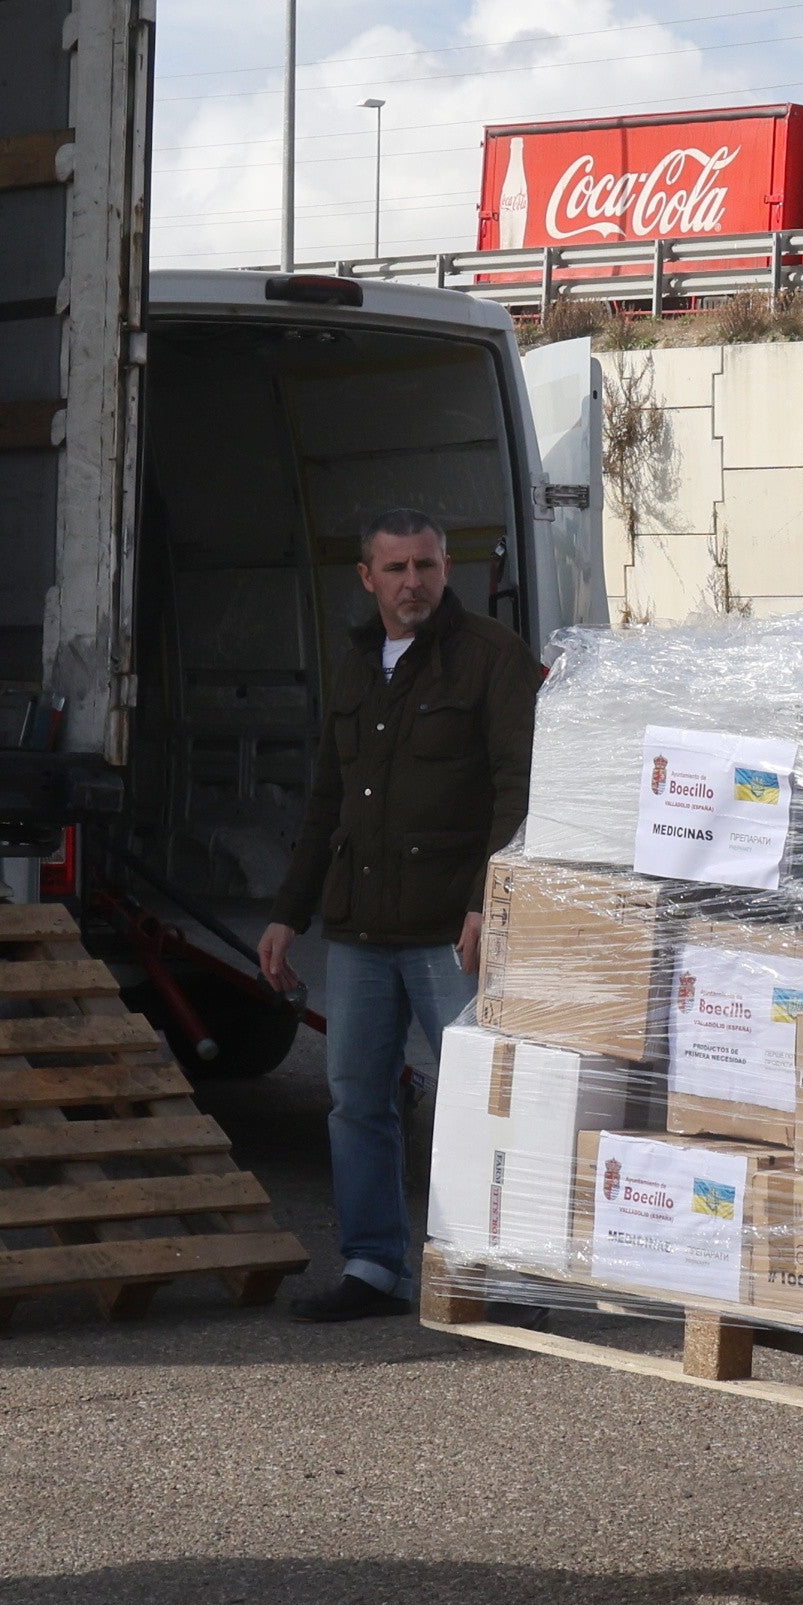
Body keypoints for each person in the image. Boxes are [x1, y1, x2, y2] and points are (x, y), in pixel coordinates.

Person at [251, 509, 538, 1323]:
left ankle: (496, 1274)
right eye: (398, 568)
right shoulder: (354, 665)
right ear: (366, 577)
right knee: (356, 1100)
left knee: (482, 1102)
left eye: (428, 565)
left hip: (453, 932)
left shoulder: (490, 658)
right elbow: (326, 802)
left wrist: (491, 898)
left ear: (448, 567)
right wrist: (285, 915)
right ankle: (375, 1267)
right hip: (361, 932)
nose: (414, 582)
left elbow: (521, 790)